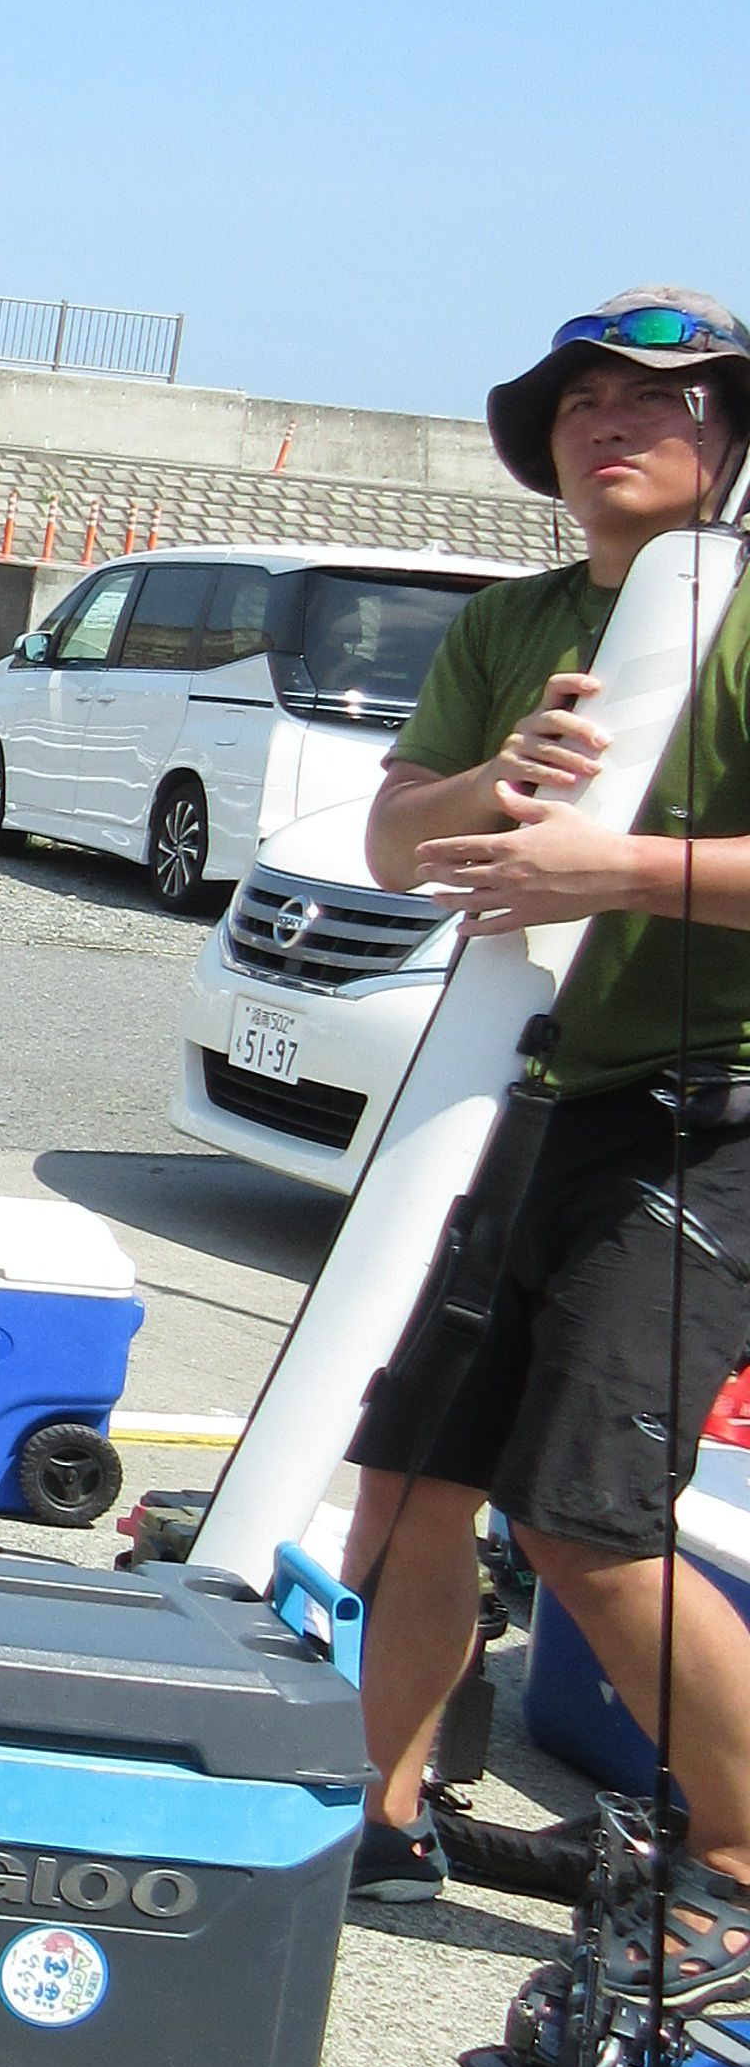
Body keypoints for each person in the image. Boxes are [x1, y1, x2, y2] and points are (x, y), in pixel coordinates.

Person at [343, 291, 750, 1924]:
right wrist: (489, 783)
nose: (613, 422)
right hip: (513, 1093)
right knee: (408, 1484)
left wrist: (619, 868)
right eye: (584, 401)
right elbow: (395, 842)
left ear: (733, 439)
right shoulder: (512, 627)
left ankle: (739, 1852)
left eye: (665, 398)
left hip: (707, 1119)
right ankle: (377, 1815)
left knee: (586, 1522)